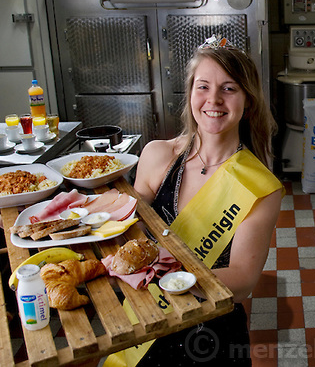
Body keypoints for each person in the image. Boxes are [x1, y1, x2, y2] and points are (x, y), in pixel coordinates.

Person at [114, 38, 283, 366]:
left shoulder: (260, 186)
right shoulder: (156, 155)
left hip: (210, 336)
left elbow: (243, 280)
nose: (214, 100)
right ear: (191, 94)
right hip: (145, 321)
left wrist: (160, 276)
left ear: (247, 101)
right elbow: (128, 227)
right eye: (203, 86)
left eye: (229, 88)